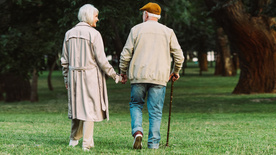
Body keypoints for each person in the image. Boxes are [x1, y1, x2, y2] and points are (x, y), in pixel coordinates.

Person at [119, 2, 184, 149]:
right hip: (160, 77)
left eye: (143, 13)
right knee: (155, 111)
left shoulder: (136, 30)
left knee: (136, 104)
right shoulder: (168, 32)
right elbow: (179, 56)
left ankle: (137, 132)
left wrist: (123, 72)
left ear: (146, 14)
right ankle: (153, 144)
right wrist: (176, 71)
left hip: (138, 76)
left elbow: (125, 55)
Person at [60, 4, 121, 151]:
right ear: (88, 16)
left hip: (74, 76)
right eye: (95, 16)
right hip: (90, 76)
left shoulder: (69, 34)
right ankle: (86, 144)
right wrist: (115, 75)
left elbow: (64, 61)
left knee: (76, 108)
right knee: (89, 109)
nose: (98, 19)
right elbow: (102, 60)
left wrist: (66, 78)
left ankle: (73, 140)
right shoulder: (94, 34)